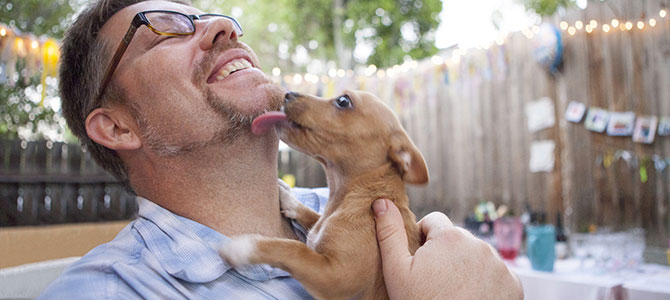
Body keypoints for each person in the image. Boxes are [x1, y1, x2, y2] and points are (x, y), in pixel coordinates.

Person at [38, 0, 522, 298]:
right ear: (117, 127)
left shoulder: (361, 214)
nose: (223, 26)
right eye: (164, 27)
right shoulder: (108, 290)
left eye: (210, 16)